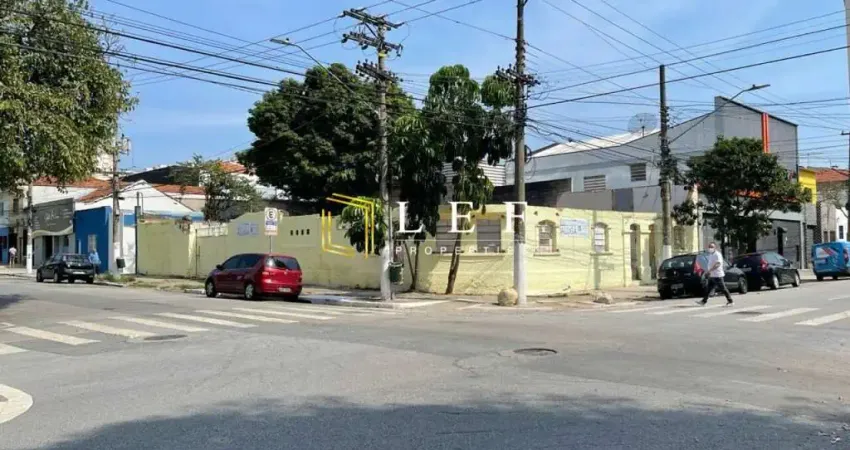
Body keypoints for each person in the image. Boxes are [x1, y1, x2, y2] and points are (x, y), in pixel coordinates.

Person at [697, 242, 733, 307]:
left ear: (715, 248)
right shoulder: (711, 254)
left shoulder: (717, 254)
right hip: (712, 275)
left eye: (712, 247)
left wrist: (710, 270)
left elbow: (718, 264)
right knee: (708, 289)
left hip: (718, 275)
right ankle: (703, 301)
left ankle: (730, 301)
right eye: (709, 247)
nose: (710, 248)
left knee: (723, 289)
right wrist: (708, 272)